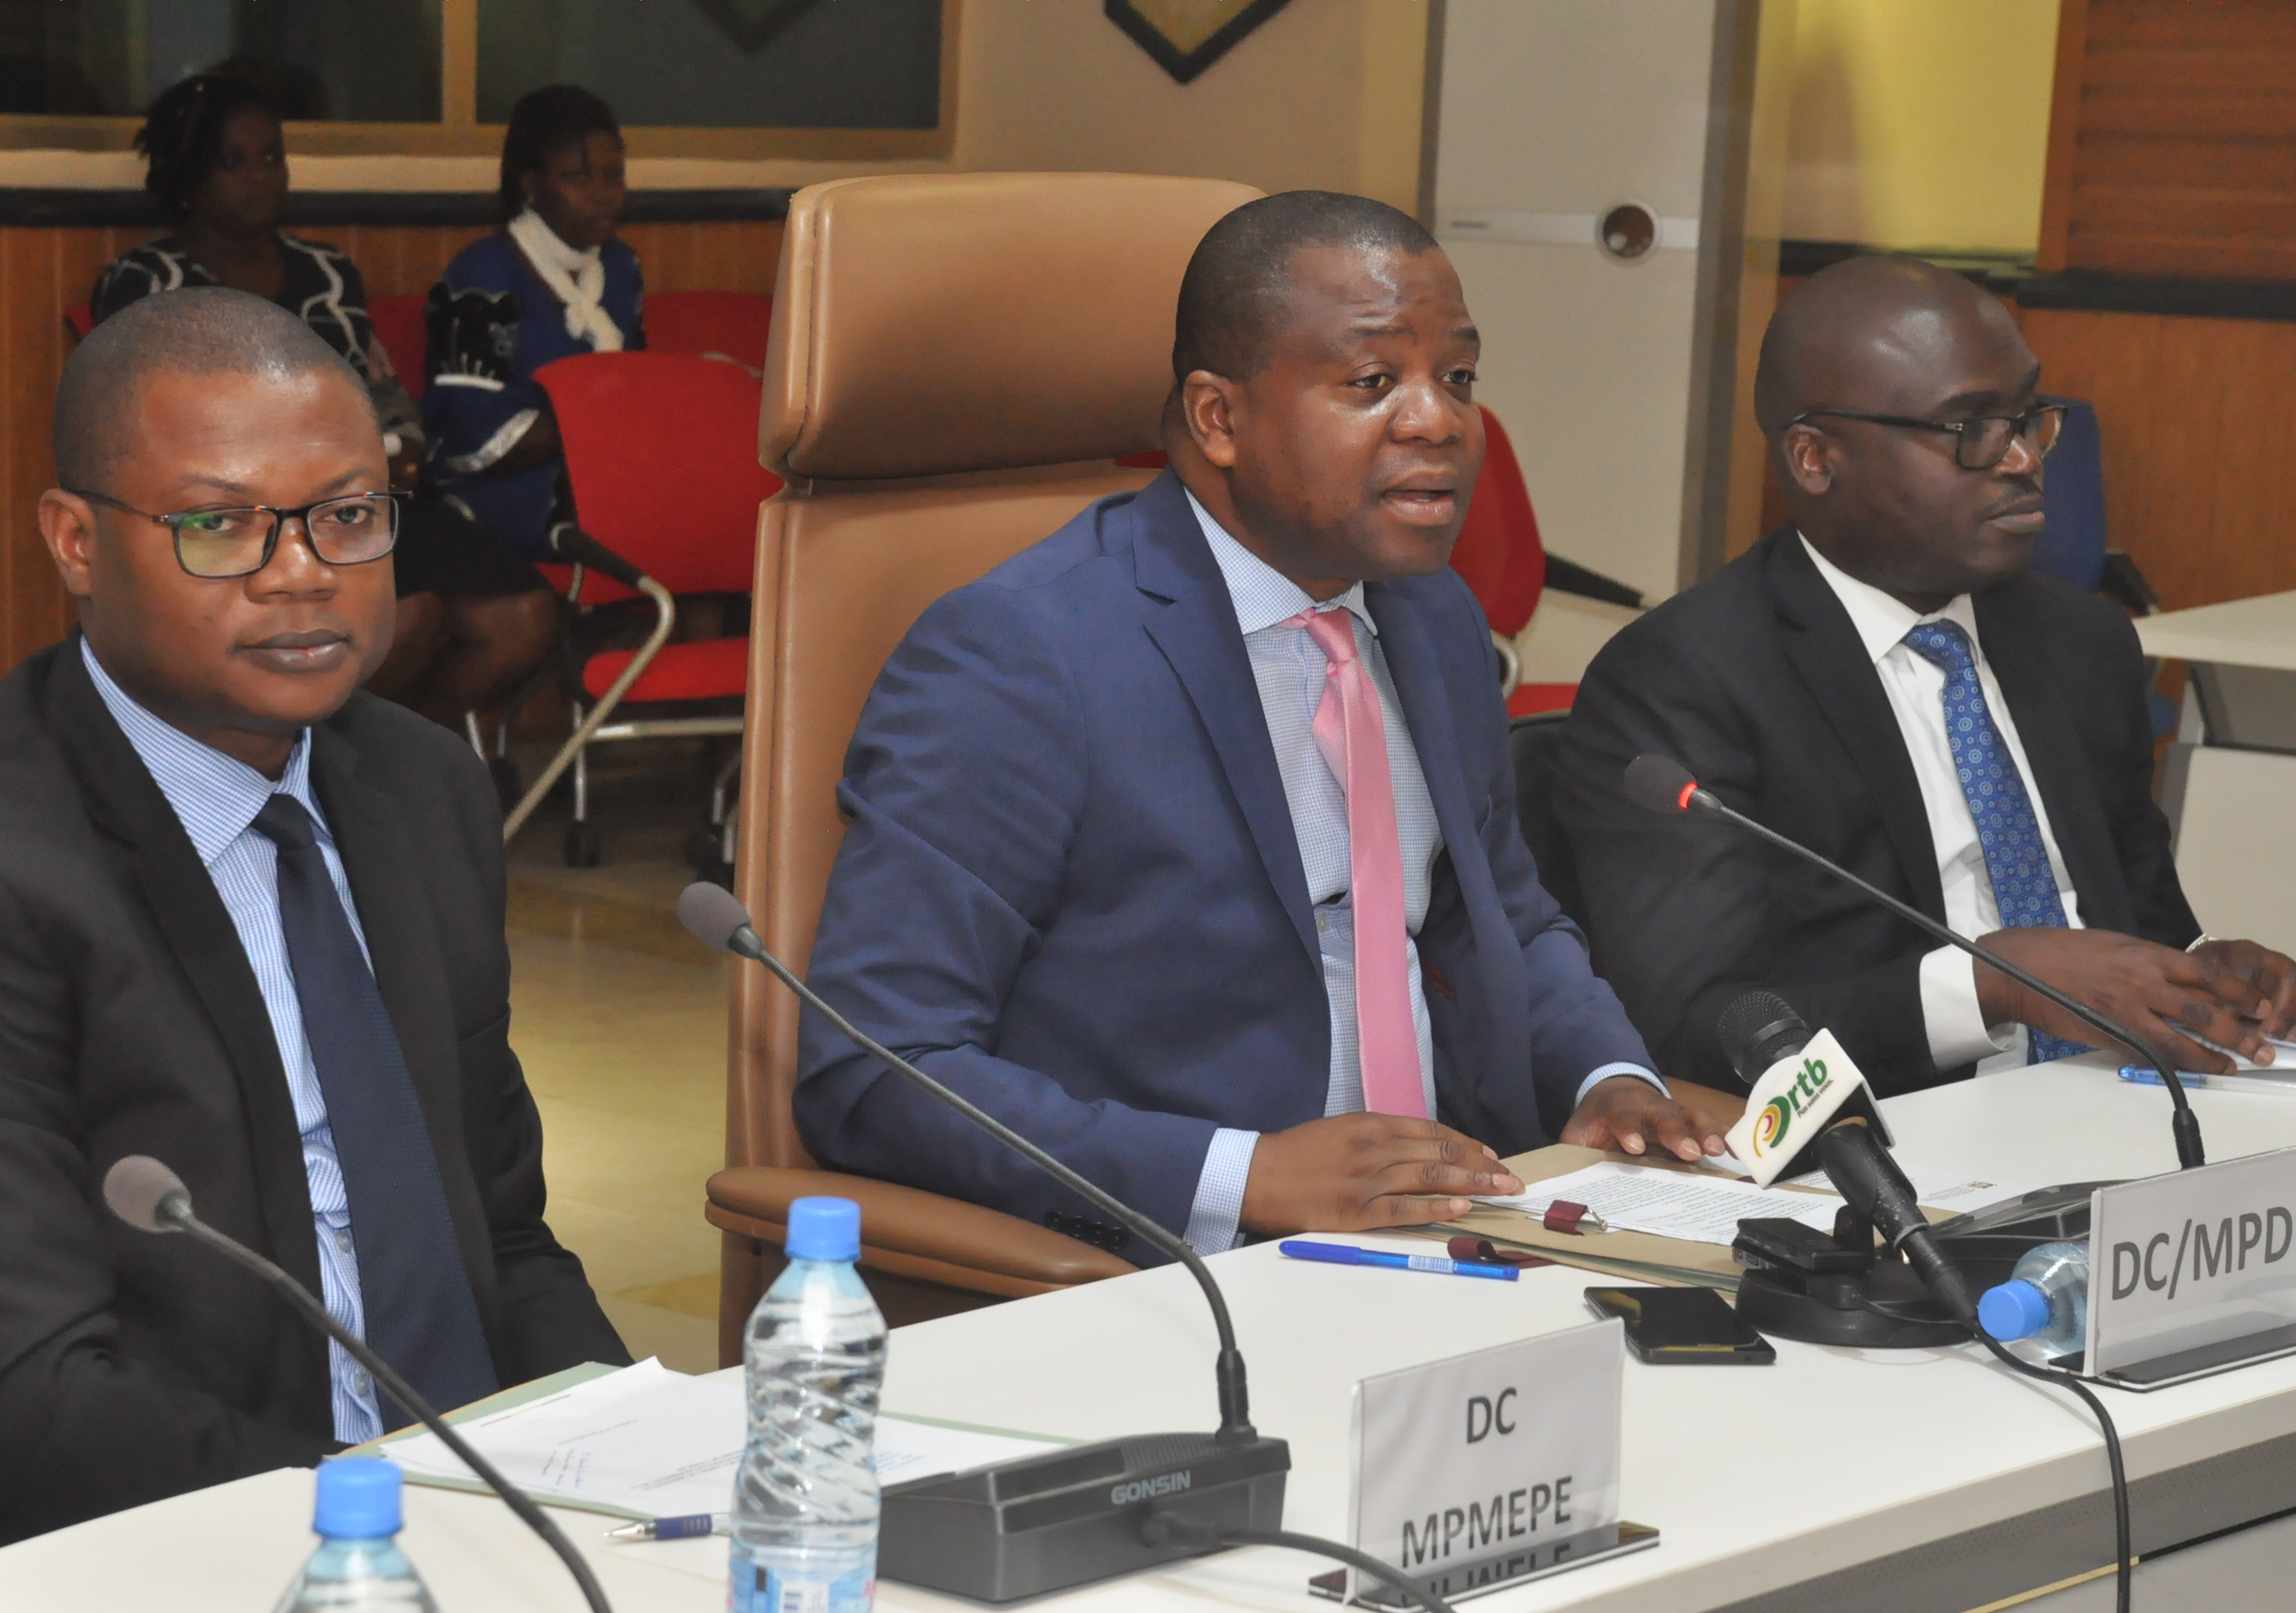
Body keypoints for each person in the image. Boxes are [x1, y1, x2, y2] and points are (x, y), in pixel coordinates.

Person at [793, 193, 1727, 1262]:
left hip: (1464, 1229)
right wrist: (1244, 1177)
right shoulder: (1021, 656)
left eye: (1459, 377)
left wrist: (1608, 1077)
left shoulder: (1431, 615)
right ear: (1218, 420)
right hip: (1183, 1272)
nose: (1440, 422)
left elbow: (1497, 918)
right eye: (1372, 382)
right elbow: (876, 1068)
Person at [0, 288, 626, 1587]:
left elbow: (499, 1239)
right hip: (161, 1547)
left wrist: (635, 1459)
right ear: (75, 542)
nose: (301, 572)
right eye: (218, 525)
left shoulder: (426, 788)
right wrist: (381, 1532)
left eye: (348, 515)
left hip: (457, 1527)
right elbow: (7, 1401)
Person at [1558, 254, 2296, 1096]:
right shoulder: (1685, 679)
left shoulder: (2081, 640)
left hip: (2126, 1099)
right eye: (1970, 428)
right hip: (1902, 1129)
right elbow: (1695, 1023)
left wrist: (2211, 973)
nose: (2021, 458)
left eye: (2028, 418)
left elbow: (2142, 921)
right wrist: (1995, 983)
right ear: (1814, 457)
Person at [90, 69, 558, 760]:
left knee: (521, 618)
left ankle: (390, 770)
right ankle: (299, 772)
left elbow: (375, 388)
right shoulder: (147, 283)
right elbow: (142, 433)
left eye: (271, 157)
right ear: (188, 177)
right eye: (234, 162)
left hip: (353, 503)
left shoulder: (327, 273)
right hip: (240, 520)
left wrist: (401, 447)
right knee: (406, 619)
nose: (261, 177)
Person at [422, 84, 644, 565]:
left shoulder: (621, 267)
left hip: (601, 470)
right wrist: (603, 418)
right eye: (578, 178)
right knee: (654, 512)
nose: (603, 195)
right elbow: (474, 440)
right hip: (498, 487)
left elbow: (641, 390)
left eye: (614, 176)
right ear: (530, 183)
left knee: (704, 499)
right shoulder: (482, 276)